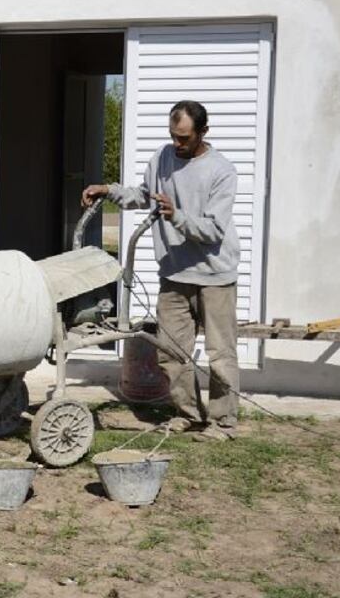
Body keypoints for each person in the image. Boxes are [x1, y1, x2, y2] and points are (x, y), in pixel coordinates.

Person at [82, 100, 240, 442]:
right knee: (170, 352)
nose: (178, 144)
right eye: (173, 136)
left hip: (215, 276)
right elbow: (143, 195)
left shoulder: (221, 170)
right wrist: (108, 190)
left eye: (184, 138)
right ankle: (189, 415)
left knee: (220, 355)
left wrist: (176, 216)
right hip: (174, 274)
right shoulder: (162, 158)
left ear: (203, 132)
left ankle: (223, 423)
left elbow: (213, 230)